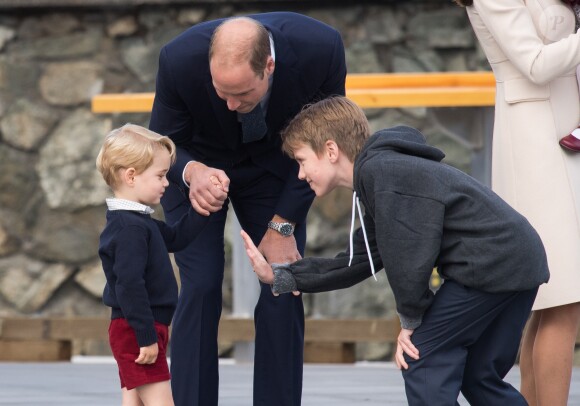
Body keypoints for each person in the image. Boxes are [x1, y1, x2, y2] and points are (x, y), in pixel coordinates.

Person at [240, 96, 550, 406]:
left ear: (331, 151)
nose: (300, 174)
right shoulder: (381, 176)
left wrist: (411, 321)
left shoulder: (384, 174)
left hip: (491, 264)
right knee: (478, 375)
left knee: (422, 358)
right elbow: (359, 260)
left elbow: (410, 252)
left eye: (302, 160)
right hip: (518, 259)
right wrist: (284, 276)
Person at [148, 12, 346, 406]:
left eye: (242, 94)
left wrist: (283, 225)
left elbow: (324, 138)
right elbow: (163, 142)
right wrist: (193, 171)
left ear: (269, 66)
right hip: (199, 169)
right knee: (201, 284)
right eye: (222, 93)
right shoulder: (178, 59)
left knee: (280, 280)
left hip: (278, 167)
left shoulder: (320, 49)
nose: (232, 104)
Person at [454, 1, 580, 404]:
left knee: (548, 303)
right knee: (561, 298)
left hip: (562, 134)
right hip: (534, 141)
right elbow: (536, 63)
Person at [96, 124, 211, 406]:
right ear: (131, 176)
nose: (166, 183)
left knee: (134, 400)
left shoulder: (138, 222)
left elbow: (175, 238)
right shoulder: (130, 229)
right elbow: (129, 285)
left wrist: (201, 210)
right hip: (138, 329)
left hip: (138, 327)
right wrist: (145, 336)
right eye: (160, 175)